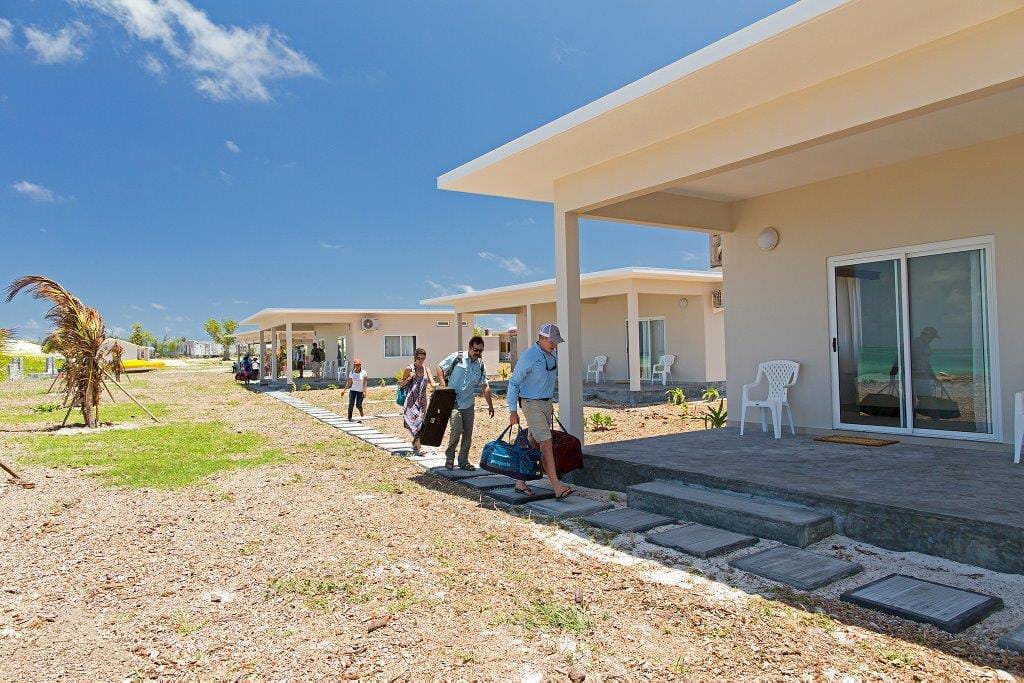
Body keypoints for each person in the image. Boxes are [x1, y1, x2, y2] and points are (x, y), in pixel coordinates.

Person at [508, 323, 574, 499]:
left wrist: (549, 403)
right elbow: (514, 383)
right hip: (530, 403)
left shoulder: (551, 356)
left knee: (533, 442)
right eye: (552, 341)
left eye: (556, 342)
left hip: (545, 403)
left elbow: (548, 381)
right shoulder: (529, 356)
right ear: (542, 338)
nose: (555, 345)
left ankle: (520, 482)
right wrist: (512, 410)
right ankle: (557, 487)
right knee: (546, 442)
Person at [437, 336, 494, 470]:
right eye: (475, 350)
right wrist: (443, 385)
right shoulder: (457, 357)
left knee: (467, 434)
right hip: (453, 402)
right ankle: (449, 458)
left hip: (468, 403)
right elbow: (439, 367)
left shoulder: (481, 365)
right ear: (469, 347)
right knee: (456, 430)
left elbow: (484, 386)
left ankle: (463, 462)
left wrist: (490, 405)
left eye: (480, 351)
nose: (478, 353)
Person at [400, 348, 435, 454]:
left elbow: (432, 382)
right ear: (415, 357)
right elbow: (401, 384)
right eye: (419, 358)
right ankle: (418, 447)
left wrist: (440, 386)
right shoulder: (409, 368)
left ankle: (416, 444)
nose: (421, 360)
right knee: (412, 423)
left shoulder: (426, 369)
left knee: (420, 424)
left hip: (422, 401)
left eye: (423, 358)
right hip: (411, 401)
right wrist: (409, 378)